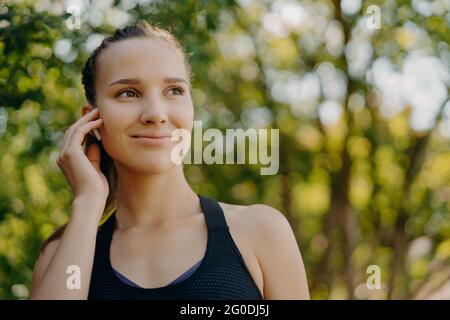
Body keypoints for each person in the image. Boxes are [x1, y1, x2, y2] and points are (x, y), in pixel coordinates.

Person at [29, 20, 309, 300]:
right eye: (128, 93)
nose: (156, 113)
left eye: (174, 90)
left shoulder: (260, 230)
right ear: (92, 121)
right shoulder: (61, 255)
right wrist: (88, 200)